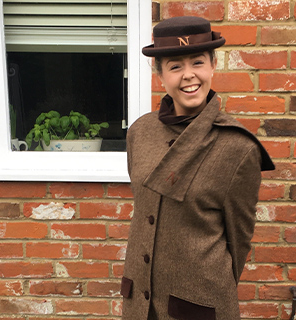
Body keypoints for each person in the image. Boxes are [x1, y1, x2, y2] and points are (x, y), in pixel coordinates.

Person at [121, 16, 275, 320]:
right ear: (160, 74)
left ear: (213, 65)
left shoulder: (238, 148)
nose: (189, 75)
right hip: (139, 304)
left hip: (199, 307)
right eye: (175, 66)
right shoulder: (140, 132)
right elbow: (144, 208)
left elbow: (238, 244)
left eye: (198, 63)